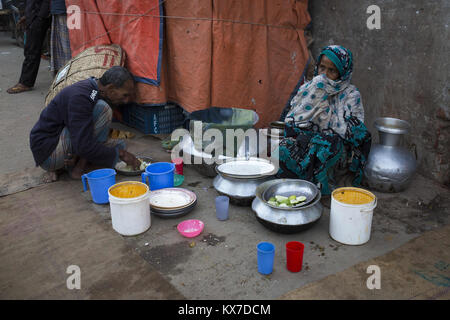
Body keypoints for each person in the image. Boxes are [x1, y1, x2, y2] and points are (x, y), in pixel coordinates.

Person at [277, 45, 371, 194]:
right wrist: (315, 94)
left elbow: (353, 135)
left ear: (342, 73)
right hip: (307, 142)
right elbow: (293, 122)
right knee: (280, 148)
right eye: (322, 68)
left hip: (333, 150)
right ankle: (297, 183)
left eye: (331, 70)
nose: (324, 75)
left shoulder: (351, 95)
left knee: (326, 145)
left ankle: (323, 188)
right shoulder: (310, 87)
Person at [30, 66, 141, 180]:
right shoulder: (81, 97)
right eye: (125, 95)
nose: (126, 100)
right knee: (103, 109)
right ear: (111, 88)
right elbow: (83, 145)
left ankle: (79, 162)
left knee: (118, 145)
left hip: (65, 141)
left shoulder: (93, 89)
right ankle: (77, 168)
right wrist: (121, 154)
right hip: (48, 152)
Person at [7, 0, 51, 94]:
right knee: (30, 50)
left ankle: (25, 83)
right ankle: (26, 82)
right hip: (33, 17)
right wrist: (27, 16)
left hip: (38, 19)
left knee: (32, 50)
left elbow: (46, 2)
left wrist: (40, 18)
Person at [49, 0, 71, 76]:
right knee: (62, 47)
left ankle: (69, 72)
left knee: (68, 47)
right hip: (60, 9)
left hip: (68, 9)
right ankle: (65, 73)